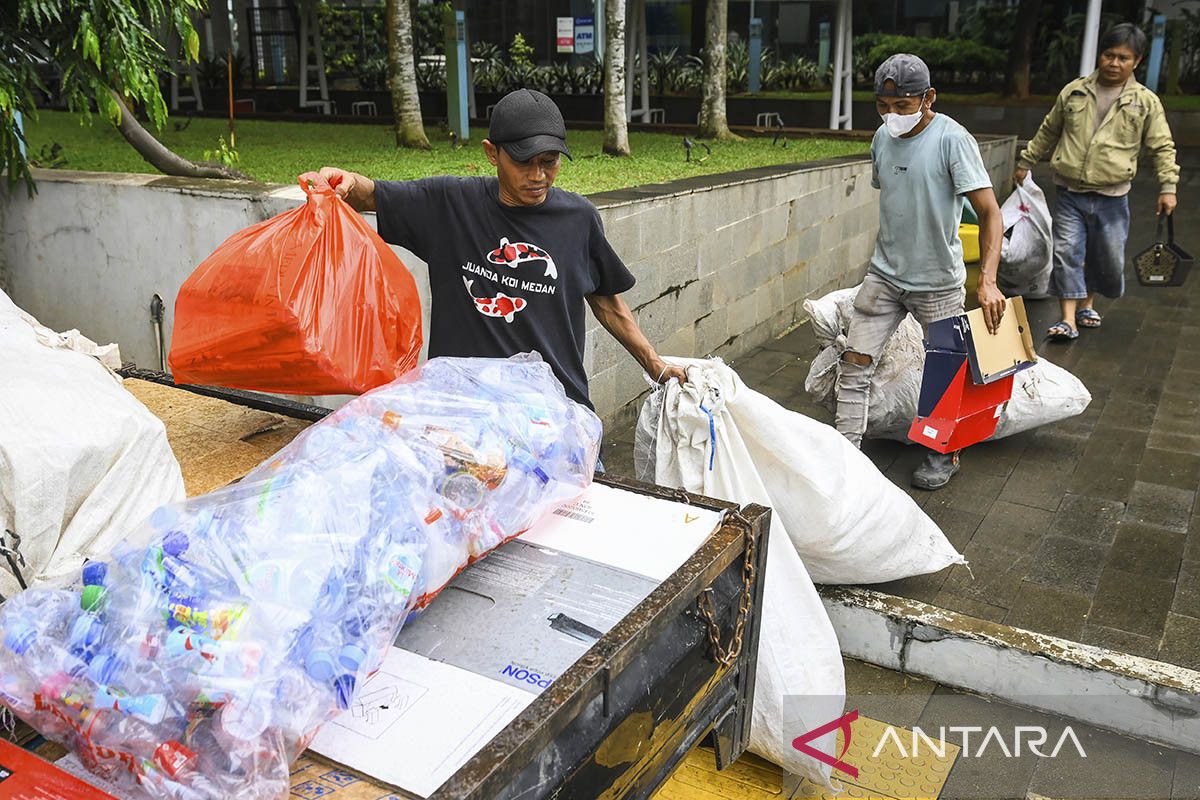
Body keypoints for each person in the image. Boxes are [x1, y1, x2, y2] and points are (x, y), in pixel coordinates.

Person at [317, 89, 686, 420]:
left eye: (550, 161)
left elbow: (607, 303)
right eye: (524, 162)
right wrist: (344, 182)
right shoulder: (449, 204)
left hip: (555, 414)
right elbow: (370, 195)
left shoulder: (578, 219)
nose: (539, 175)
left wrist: (655, 365)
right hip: (463, 415)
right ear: (492, 153)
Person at [836, 54, 1006, 491]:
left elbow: (990, 213)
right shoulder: (881, 138)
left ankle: (942, 452)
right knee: (854, 363)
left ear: (928, 98)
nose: (891, 115)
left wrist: (986, 281)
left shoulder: (953, 140)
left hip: (938, 284)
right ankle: (841, 455)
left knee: (944, 371)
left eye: (903, 105)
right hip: (885, 276)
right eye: (883, 106)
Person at [1015, 23, 1179, 341]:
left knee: (1106, 256)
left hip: (1114, 196)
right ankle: (1067, 319)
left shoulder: (1145, 102)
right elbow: (1049, 129)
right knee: (1066, 251)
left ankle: (1087, 303)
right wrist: (1026, 161)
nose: (1114, 63)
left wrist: (1168, 187)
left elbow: (1162, 146)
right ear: (1099, 55)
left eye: (1123, 58)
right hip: (1069, 191)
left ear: (1137, 62)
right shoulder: (1074, 91)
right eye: (1108, 55)